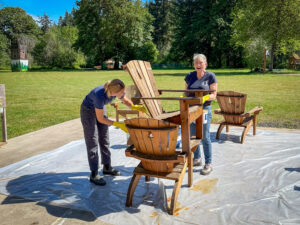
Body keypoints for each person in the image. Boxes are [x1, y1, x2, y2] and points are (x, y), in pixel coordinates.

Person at [80, 79, 146, 185]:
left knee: (104, 138)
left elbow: (125, 100)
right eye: (121, 92)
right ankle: (94, 173)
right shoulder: (99, 95)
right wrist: (118, 124)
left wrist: (134, 106)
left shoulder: (114, 90)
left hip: (100, 108)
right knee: (92, 140)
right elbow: (101, 119)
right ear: (113, 92)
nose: (123, 94)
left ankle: (107, 167)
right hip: (88, 111)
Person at [184, 54, 217, 175]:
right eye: (196, 63)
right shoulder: (189, 76)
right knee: (193, 135)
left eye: (200, 63)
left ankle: (208, 163)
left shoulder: (211, 76)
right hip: (191, 109)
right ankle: (197, 159)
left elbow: (214, 94)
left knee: (204, 135)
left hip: (204, 109)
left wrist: (204, 98)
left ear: (205, 64)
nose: (198, 65)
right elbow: (186, 92)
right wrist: (185, 103)